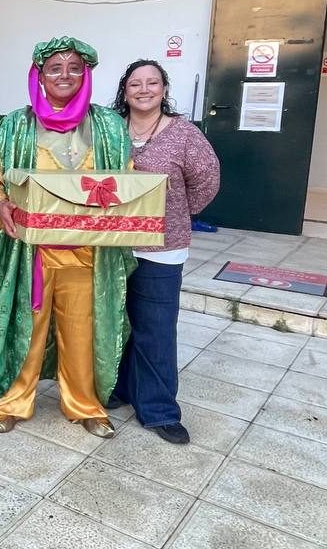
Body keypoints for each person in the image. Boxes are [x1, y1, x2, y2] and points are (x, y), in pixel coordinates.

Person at [0, 37, 134, 438]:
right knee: (25, 331)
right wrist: (0, 202)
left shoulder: (109, 126)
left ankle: (85, 405)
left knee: (82, 332)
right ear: (40, 76)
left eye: (74, 68)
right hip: (29, 251)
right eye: (55, 68)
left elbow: (126, 181)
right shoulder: (16, 124)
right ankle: (10, 402)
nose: (65, 75)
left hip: (88, 252)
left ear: (86, 75)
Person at [110, 59, 219, 444]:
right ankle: (120, 388)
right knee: (115, 323)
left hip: (162, 247)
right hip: (112, 243)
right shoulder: (110, 130)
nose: (144, 90)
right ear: (125, 91)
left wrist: (176, 213)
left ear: (164, 89)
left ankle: (158, 410)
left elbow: (207, 181)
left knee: (155, 329)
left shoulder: (184, 134)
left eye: (152, 83)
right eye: (135, 84)